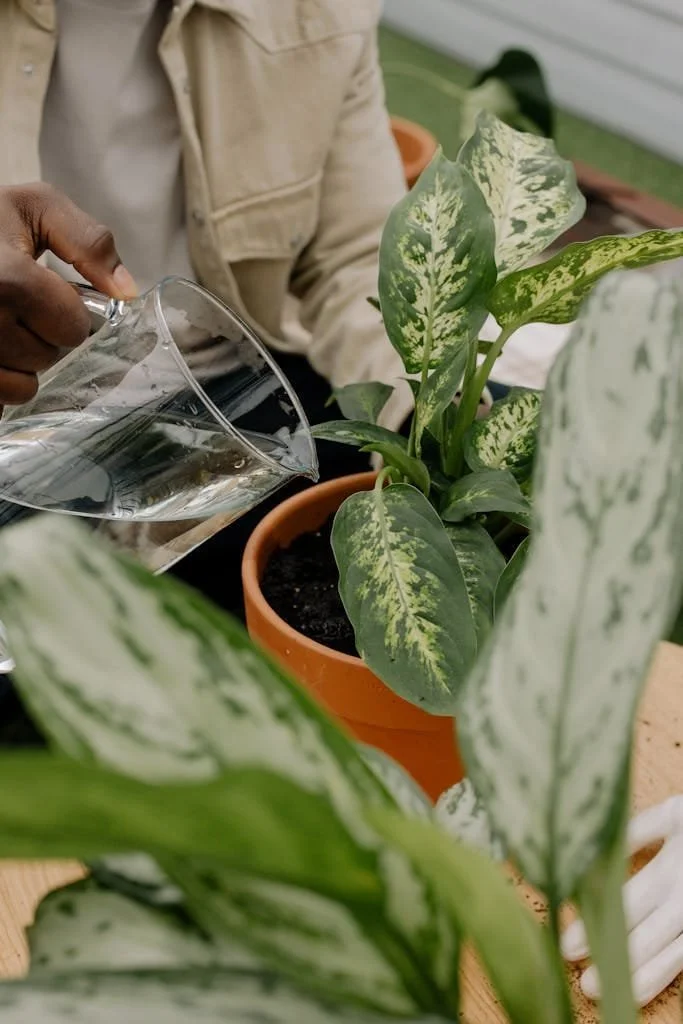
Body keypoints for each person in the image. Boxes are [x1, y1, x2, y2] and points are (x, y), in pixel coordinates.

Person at [0, 0, 412, 616]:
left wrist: (430, 419)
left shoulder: (320, 12)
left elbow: (359, 259)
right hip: (25, 404)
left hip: (220, 387)